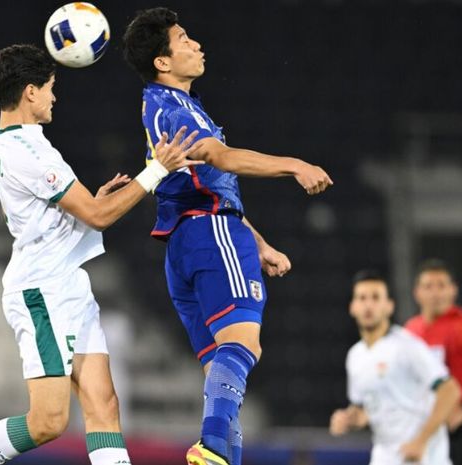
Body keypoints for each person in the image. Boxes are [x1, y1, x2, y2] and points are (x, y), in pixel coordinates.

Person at [0, 44, 200, 465]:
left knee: (103, 404)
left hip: (66, 282)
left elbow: (52, 214)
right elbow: (99, 215)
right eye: (51, 88)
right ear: (31, 92)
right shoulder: (30, 152)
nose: (55, 97)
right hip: (43, 291)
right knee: (49, 421)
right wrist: (156, 169)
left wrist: (92, 206)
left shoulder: (2, 143)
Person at [121, 8, 333, 465]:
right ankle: (213, 446)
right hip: (210, 234)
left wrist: (257, 242)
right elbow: (222, 158)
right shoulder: (171, 107)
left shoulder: (166, 106)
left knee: (223, 371)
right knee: (244, 344)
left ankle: (222, 455)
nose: (197, 44)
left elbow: (199, 186)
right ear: (162, 61)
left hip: (186, 242)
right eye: (183, 38)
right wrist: (294, 164)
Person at [330, 270, 461, 465]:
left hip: (425, 458)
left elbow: (450, 391)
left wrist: (421, 440)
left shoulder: (407, 346)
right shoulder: (354, 356)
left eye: (376, 298)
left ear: (389, 306)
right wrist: (348, 419)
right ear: (352, 307)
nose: (368, 305)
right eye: (362, 298)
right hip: (385, 456)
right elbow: (366, 410)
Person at [405, 259, 462, 465]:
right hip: (426, 426)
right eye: (428, 286)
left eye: (441, 285)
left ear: (453, 290)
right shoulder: (411, 331)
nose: (435, 293)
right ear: (417, 292)